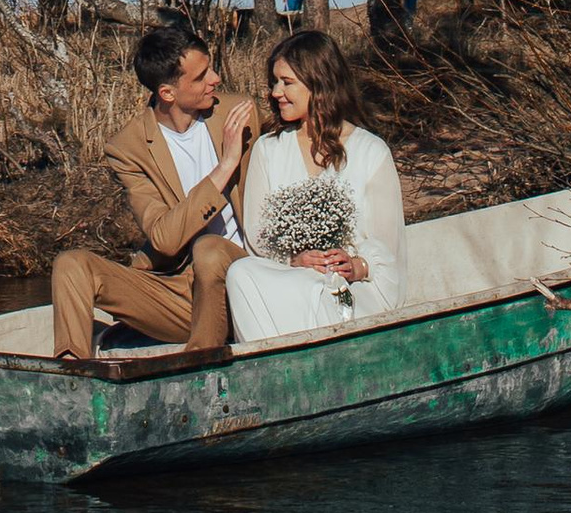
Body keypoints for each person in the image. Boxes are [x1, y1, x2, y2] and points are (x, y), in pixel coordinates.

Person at [49, 20, 254, 362]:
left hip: (244, 278)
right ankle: (73, 375)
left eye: (211, 68)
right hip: (181, 293)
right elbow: (164, 239)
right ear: (168, 93)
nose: (215, 79)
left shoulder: (240, 113)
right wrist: (225, 167)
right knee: (71, 264)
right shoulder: (128, 148)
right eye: (202, 76)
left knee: (210, 249)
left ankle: (199, 366)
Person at [225, 26, 405, 343]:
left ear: (318, 83)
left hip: (352, 290)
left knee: (322, 289)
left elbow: (389, 250)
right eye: (274, 82)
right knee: (241, 274)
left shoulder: (371, 152)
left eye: (287, 82)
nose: (275, 92)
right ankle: (272, 366)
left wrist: (355, 266)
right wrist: (294, 259)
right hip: (288, 280)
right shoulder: (269, 150)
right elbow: (257, 237)